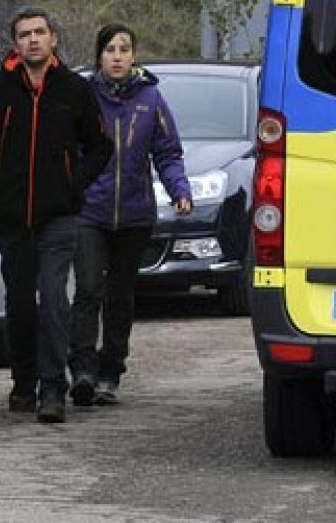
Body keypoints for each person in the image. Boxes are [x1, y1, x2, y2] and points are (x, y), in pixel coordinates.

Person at [0, 7, 112, 424]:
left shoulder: (74, 90)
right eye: (24, 35)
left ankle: (52, 388)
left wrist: (74, 183)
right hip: (11, 219)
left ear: (53, 39)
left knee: (55, 298)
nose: (33, 40)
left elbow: (100, 147)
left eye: (40, 32)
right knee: (21, 303)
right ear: (15, 44)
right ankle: (24, 382)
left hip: (59, 216)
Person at [70, 24, 192, 408]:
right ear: (99, 56)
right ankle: (83, 370)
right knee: (89, 289)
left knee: (120, 295)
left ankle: (110, 371)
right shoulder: (83, 96)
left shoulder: (151, 99)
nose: (117, 56)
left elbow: (168, 153)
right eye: (110, 49)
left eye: (124, 49)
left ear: (134, 55)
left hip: (135, 215)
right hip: (90, 211)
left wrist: (180, 191)